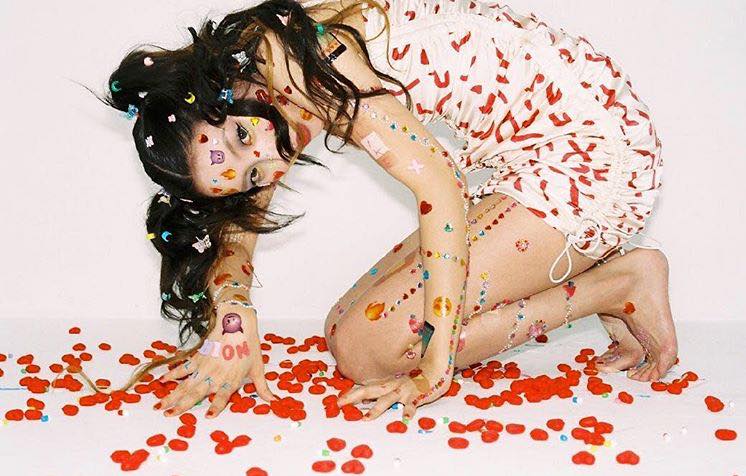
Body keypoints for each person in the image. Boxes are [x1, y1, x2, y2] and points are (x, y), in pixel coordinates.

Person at [95, 0, 676, 421]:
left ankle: (616, 285)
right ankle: (600, 269)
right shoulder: (257, 63)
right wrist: (233, 314)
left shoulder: (311, 64)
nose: (268, 162)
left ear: (216, 88)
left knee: (371, 352)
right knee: (343, 330)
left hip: (594, 159)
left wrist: (435, 368)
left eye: (243, 139)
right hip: (537, 158)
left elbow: (441, 192)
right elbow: (238, 227)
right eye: (246, 176)